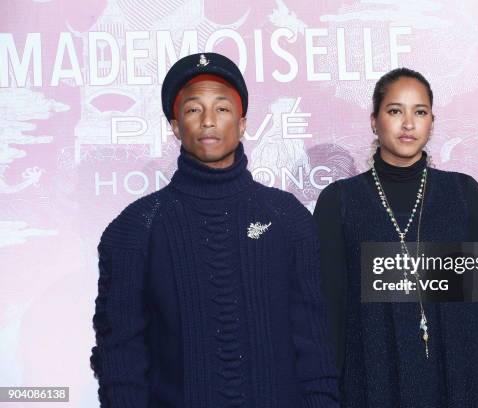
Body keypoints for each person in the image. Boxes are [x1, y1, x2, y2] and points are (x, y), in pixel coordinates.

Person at [90, 52, 339, 407]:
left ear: (242, 123)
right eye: (193, 109)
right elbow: (121, 361)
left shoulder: (288, 218)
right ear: (175, 126)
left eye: (222, 108)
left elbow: (315, 347)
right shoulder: (134, 229)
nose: (208, 120)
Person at [314, 68, 478, 407]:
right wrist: (326, 393)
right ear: (374, 120)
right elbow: (332, 309)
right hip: (373, 377)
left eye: (419, 112)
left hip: (462, 375)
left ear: (431, 121)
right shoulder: (339, 201)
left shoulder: (463, 194)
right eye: (395, 111)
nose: (408, 123)